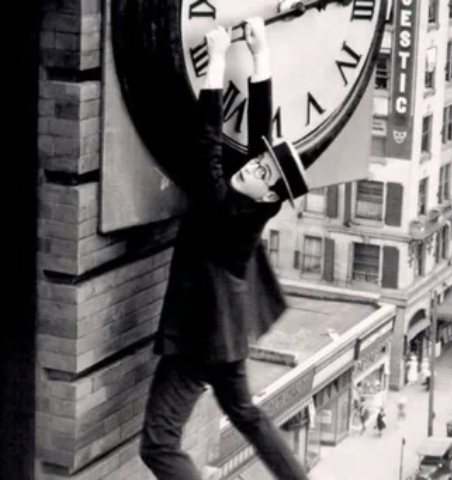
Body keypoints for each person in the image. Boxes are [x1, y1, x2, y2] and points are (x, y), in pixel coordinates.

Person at [139, 18, 314, 480]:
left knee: (158, 445)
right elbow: (261, 141)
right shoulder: (254, 201)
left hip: (200, 338)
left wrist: (215, 66)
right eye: (258, 163)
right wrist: (261, 56)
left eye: (261, 173)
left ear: (269, 196)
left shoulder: (225, 207)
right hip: (227, 336)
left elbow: (208, 149)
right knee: (247, 414)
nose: (252, 167)